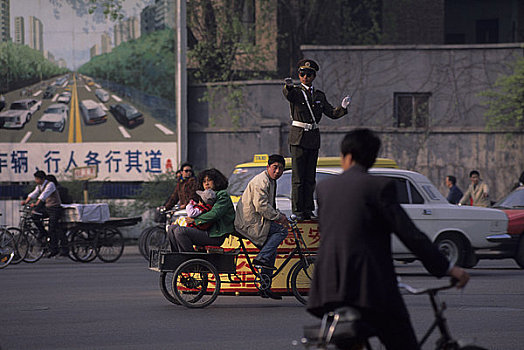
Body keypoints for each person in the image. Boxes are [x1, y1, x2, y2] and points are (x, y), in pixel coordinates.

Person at [307, 129, 469, 350]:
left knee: (349, 341)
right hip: (370, 288)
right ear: (372, 158)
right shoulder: (379, 187)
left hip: (329, 288)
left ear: (347, 155)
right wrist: (448, 268)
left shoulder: (325, 188)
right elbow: (410, 235)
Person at [283, 58, 351, 221]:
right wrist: (287, 86)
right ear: (299, 76)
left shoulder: (319, 95)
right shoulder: (296, 92)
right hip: (298, 137)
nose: (305, 77)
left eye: (309, 74)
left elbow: (331, 113)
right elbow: (288, 94)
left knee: (309, 177)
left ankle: (308, 209)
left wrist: (343, 108)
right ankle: (298, 210)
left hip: (312, 138)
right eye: (302, 74)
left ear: (314, 76)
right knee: (298, 177)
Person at [234, 154, 289, 300]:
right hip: (250, 222)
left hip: (257, 221)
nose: (277, 171)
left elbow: (270, 206)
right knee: (282, 231)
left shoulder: (271, 181)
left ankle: (265, 286)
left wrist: (278, 215)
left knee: (272, 251)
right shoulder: (262, 181)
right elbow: (261, 206)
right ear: (268, 167)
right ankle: (261, 257)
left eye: (280, 169)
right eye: (275, 167)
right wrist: (279, 217)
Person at [167, 168, 235, 253]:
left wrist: (195, 221)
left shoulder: (222, 195)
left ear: (216, 181)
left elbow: (214, 214)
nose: (206, 183)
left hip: (215, 235)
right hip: (203, 231)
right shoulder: (204, 197)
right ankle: (177, 256)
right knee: (172, 228)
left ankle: (190, 259)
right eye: (204, 181)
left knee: (180, 231)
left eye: (209, 180)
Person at [21, 170, 65, 257]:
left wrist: (36, 204)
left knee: (52, 228)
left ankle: (54, 248)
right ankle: (42, 232)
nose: (36, 180)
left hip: (55, 209)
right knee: (34, 215)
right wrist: (26, 201)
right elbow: (33, 194)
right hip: (47, 208)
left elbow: (43, 196)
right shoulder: (39, 186)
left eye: (37, 179)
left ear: (42, 179)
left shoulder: (50, 184)